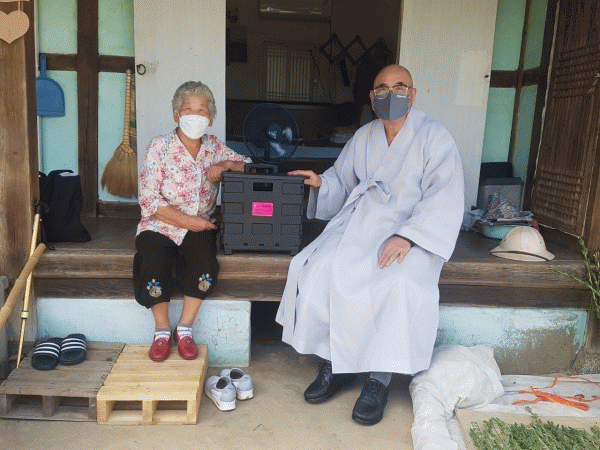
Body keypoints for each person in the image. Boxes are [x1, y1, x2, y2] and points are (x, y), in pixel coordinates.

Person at [276, 65, 464, 425]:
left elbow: (444, 195)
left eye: (399, 87)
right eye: (382, 88)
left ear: (412, 94)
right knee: (321, 267)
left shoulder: (435, 137)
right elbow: (342, 180)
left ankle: (379, 378)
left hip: (411, 230)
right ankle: (335, 362)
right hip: (362, 221)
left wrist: (408, 236)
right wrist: (321, 183)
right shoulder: (364, 136)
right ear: (372, 97)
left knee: (397, 281)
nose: (390, 95)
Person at [133, 81, 251, 362]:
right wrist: (189, 222)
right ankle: (162, 330)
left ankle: (184, 329)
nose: (195, 116)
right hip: (161, 223)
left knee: (204, 260)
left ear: (210, 118)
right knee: (153, 258)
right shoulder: (159, 146)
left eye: (202, 110)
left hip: (200, 226)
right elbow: (149, 201)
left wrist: (224, 165)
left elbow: (248, 165)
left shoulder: (214, 147)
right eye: (188, 109)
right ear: (176, 114)